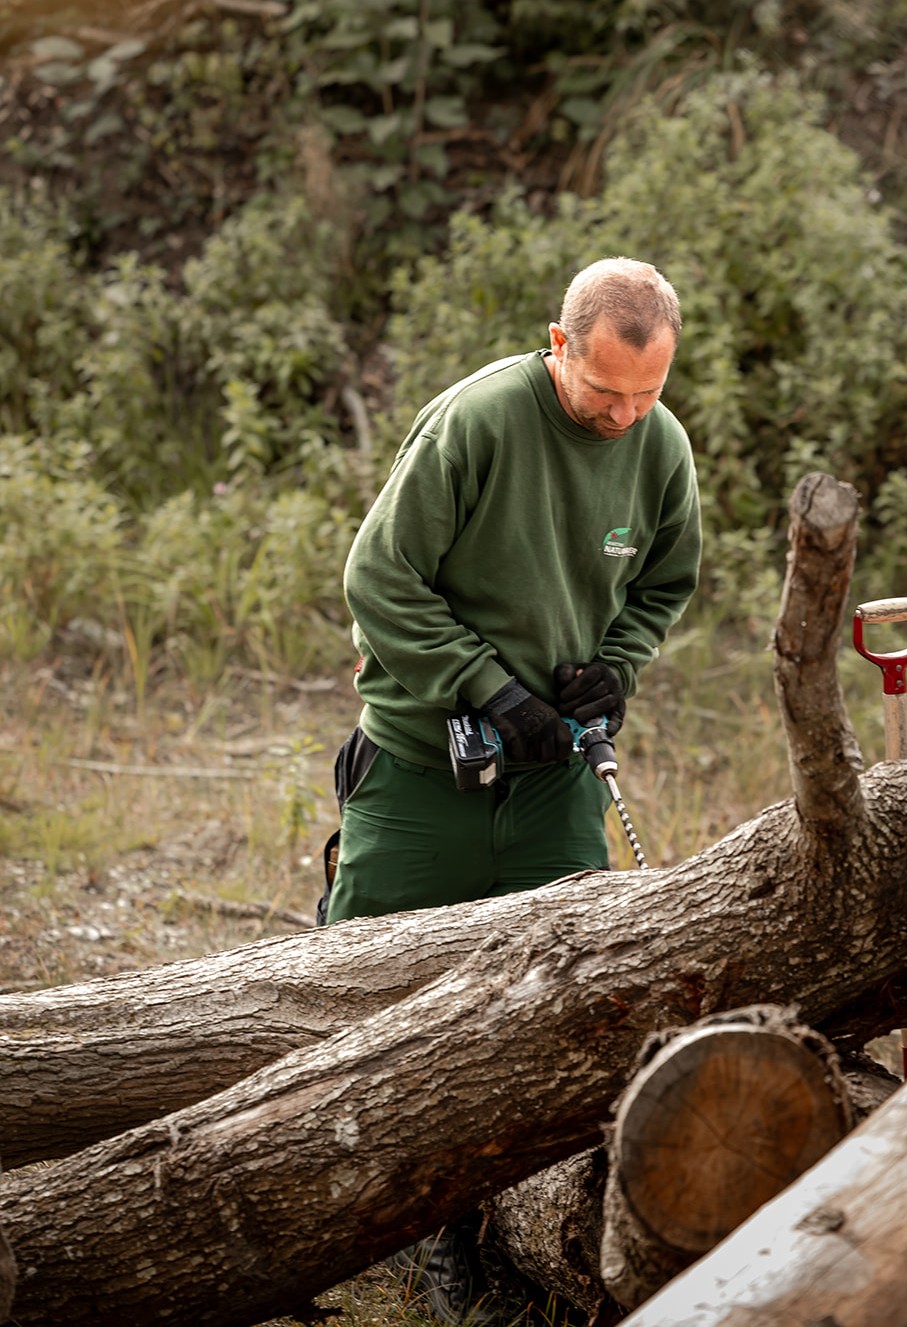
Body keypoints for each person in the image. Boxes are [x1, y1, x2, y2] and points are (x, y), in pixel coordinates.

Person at [324, 255, 701, 1321]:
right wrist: (486, 685)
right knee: (360, 985)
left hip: (553, 778)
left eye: (647, 393)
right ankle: (371, 1218)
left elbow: (666, 578)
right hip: (421, 757)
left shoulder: (658, 447)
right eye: (603, 391)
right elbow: (376, 576)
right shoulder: (476, 424)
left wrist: (611, 667)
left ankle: (490, 1222)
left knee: (567, 1000)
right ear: (557, 346)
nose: (624, 414)